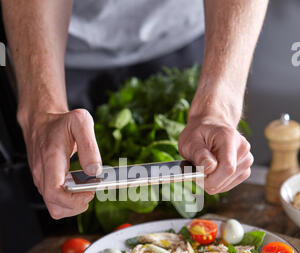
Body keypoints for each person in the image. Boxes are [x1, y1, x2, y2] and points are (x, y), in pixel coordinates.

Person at [2, 0, 268, 220]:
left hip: (188, 28)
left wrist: (218, 108)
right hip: (54, 40)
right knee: (56, 197)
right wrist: (42, 111)